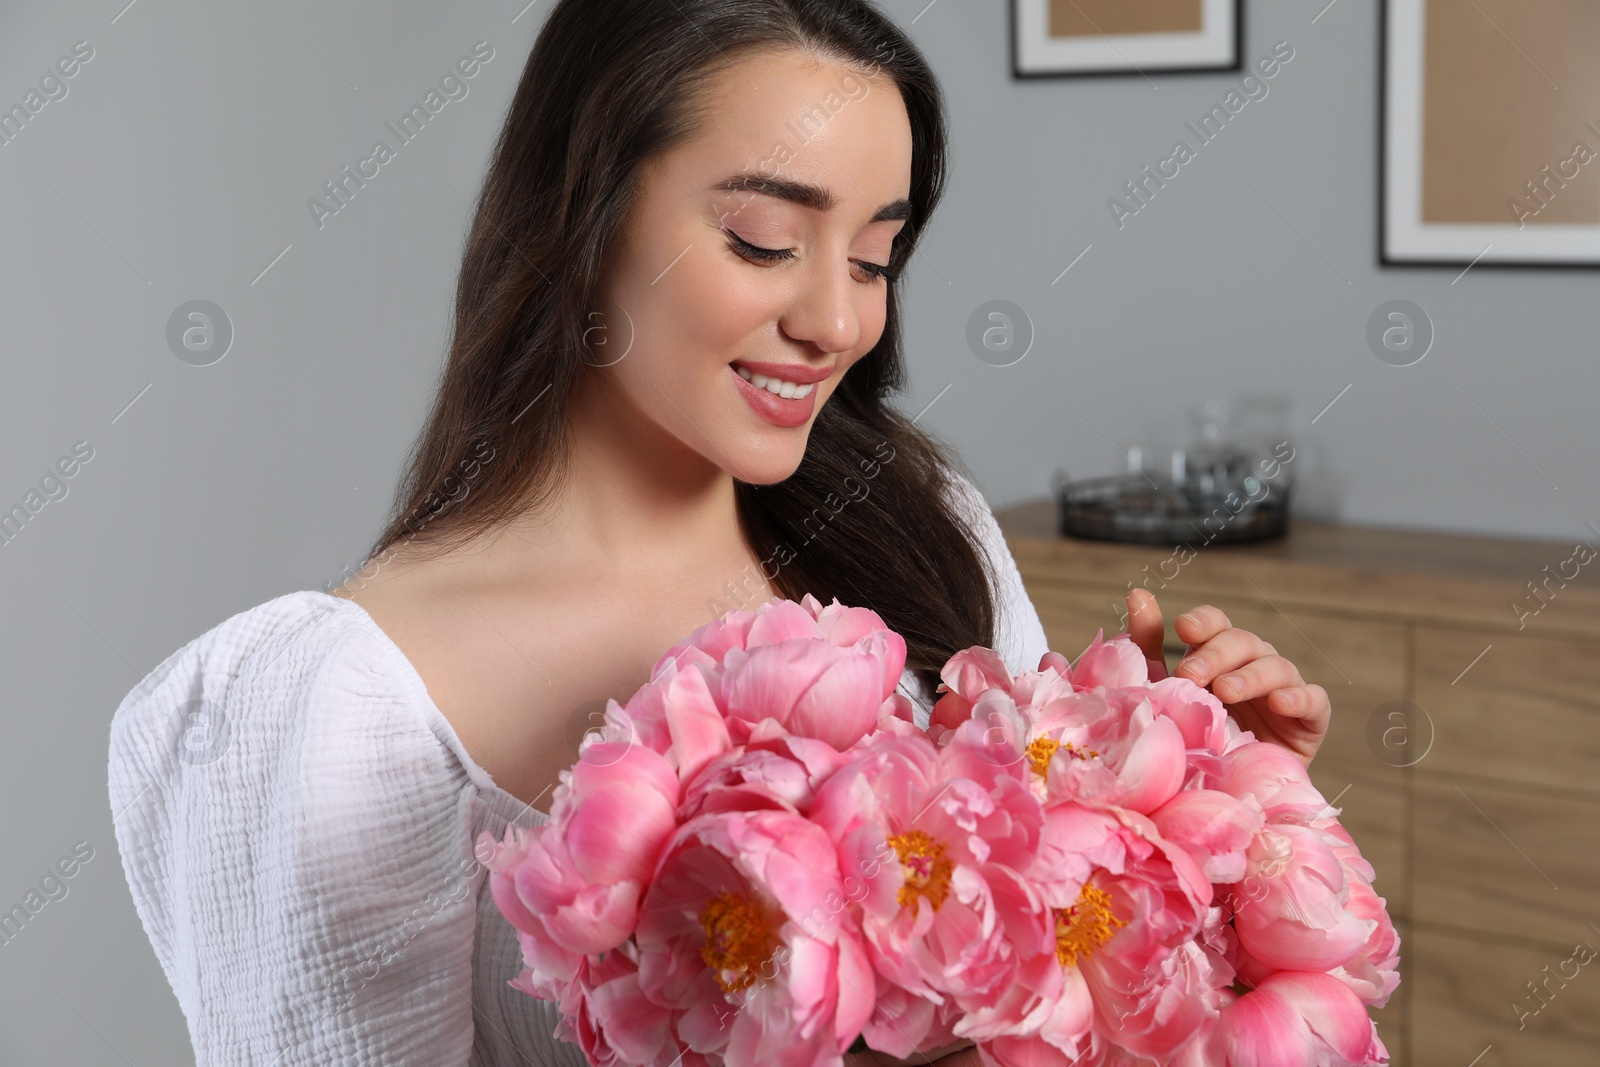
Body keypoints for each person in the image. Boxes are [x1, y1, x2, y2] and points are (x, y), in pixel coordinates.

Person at [107, 1, 1331, 1064]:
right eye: (763, 240)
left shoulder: (921, 530)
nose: (834, 318)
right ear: (583, 213)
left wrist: (1191, 811)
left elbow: (1059, 1008)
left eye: (875, 255)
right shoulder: (340, 706)